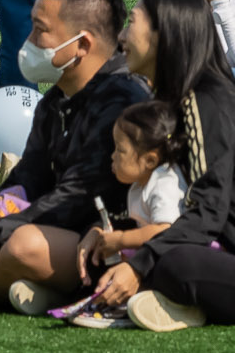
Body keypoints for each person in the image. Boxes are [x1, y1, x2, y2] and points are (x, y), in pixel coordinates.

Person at [87, 0, 235, 329]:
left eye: (132, 22)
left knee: (171, 263)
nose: (122, 37)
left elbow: (207, 213)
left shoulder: (205, 101)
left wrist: (139, 264)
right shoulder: (176, 98)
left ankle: (173, 301)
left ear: (165, 35)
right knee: (105, 244)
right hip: (224, 254)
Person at [0, 0, 146, 311]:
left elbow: (75, 200)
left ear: (82, 45)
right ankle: (7, 280)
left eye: (40, 30)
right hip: (65, 228)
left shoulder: (121, 103)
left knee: (23, 246)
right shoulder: (58, 97)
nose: (28, 42)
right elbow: (27, 177)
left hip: (110, 241)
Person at [57, 98, 189, 325]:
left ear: (149, 160)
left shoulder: (164, 182)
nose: (112, 156)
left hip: (174, 259)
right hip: (150, 256)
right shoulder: (139, 185)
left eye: (120, 150)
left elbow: (166, 231)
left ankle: (144, 305)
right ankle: (75, 295)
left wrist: (120, 239)